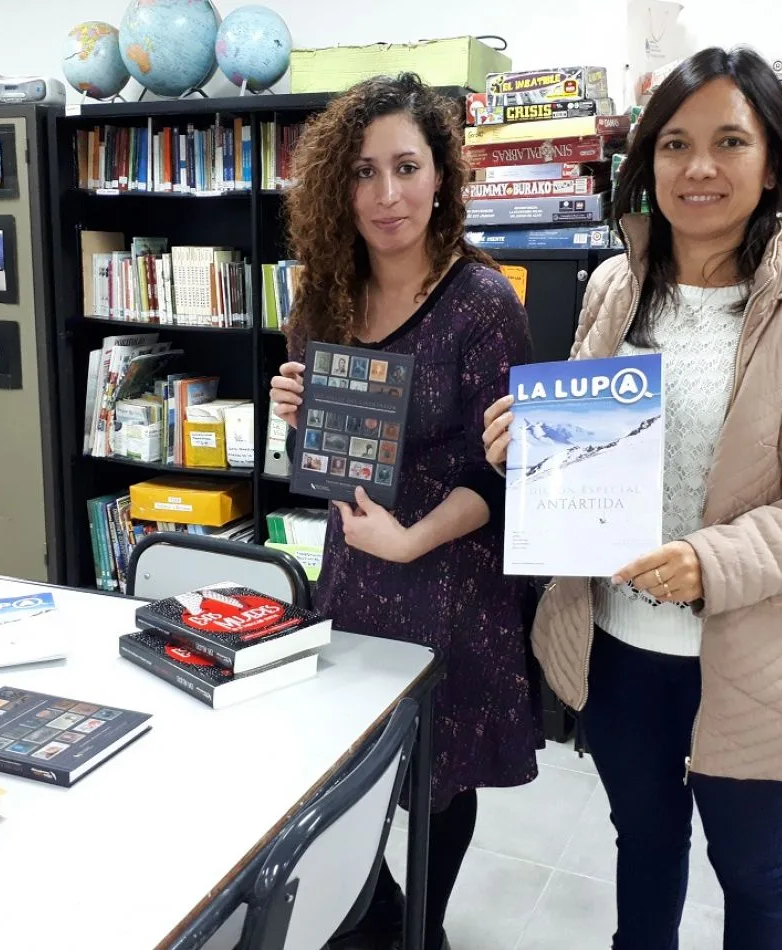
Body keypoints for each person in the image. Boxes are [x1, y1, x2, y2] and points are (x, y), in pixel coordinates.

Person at [481, 47, 782, 950]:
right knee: (643, 841)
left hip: (752, 654)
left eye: (727, 142)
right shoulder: (612, 284)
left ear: (773, 163)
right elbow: (587, 450)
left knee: (751, 869)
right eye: (673, 144)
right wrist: (527, 450)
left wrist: (711, 562)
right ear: (646, 162)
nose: (698, 168)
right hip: (618, 646)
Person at [268, 72, 542, 950]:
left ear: (441, 176)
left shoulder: (483, 305)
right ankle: (388, 924)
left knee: (437, 783)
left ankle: (422, 927)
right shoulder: (323, 299)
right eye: (361, 172)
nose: (386, 195)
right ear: (333, 188)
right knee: (345, 779)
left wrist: (412, 537)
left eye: (406, 167)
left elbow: (502, 473)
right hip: (354, 576)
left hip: (448, 584)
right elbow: (326, 455)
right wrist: (292, 410)